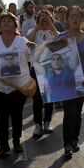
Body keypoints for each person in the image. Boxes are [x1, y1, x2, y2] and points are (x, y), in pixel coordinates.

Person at [0, 12, 33, 157]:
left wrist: (33, 47)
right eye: (3, 20)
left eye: (9, 21)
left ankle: (16, 142)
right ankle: (3, 145)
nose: (6, 22)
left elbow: (33, 58)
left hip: (19, 86)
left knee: (17, 114)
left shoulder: (22, 41)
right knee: (2, 116)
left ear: (15, 24)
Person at [55, 5, 84, 157]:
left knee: (78, 112)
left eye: (77, 16)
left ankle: (75, 139)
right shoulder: (61, 38)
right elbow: (53, 62)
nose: (75, 18)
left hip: (83, 82)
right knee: (69, 112)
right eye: (71, 16)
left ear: (81, 19)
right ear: (66, 19)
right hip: (67, 83)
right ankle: (67, 144)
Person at [26, 9, 58, 137]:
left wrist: (51, 26)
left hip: (51, 67)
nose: (44, 18)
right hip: (36, 68)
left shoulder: (54, 31)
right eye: (41, 17)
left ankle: (47, 122)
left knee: (49, 97)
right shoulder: (33, 31)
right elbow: (27, 40)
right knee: (37, 98)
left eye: (47, 17)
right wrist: (37, 27)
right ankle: (38, 125)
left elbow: (63, 40)